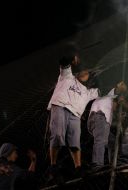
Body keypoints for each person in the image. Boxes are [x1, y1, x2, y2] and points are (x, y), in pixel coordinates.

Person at [47, 44, 99, 179]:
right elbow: (63, 62)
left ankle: (78, 167)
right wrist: (71, 58)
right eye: (83, 71)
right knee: (58, 135)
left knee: (75, 142)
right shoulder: (67, 76)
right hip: (60, 106)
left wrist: (117, 89)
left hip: (75, 115)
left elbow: (104, 91)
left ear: (89, 78)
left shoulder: (88, 92)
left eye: (87, 73)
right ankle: (53, 165)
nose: (84, 73)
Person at [87, 81, 127, 172]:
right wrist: (120, 88)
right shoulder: (109, 96)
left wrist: (119, 120)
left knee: (112, 141)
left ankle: (113, 164)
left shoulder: (109, 113)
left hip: (99, 121)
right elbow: (116, 90)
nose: (116, 107)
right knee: (101, 140)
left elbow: (112, 124)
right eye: (117, 105)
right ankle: (97, 164)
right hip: (98, 116)